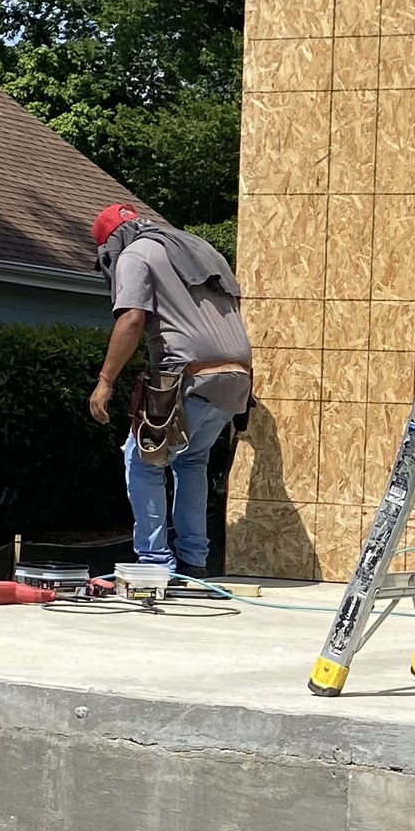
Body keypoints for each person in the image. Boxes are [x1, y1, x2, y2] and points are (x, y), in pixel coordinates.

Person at [87, 206, 251, 582]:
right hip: (236, 377)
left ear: (112, 244)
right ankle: (195, 565)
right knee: (191, 461)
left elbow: (131, 319)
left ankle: (154, 567)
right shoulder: (200, 249)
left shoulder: (135, 253)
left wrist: (106, 381)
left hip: (188, 375)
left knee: (142, 459)